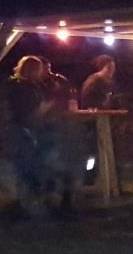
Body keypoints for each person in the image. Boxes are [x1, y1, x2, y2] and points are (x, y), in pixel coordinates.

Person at [7, 56, 53, 218]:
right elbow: (27, 110)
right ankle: (26, 204)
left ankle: (27, 202)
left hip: (26, 128)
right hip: (24, 129)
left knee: (29, 166)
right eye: (39, 69)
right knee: (27, 166)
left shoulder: (27, 86)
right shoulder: (22, 87)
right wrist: (44, 108)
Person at [37, 57, 80, 217]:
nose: (48, 71)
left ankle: (65, 202)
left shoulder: (59, 80)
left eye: (49, 67)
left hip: (62, 128)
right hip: (46, 128)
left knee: (64, 164)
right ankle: (50, 200)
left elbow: (71, 95)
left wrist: (71, 107)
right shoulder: (36, 84)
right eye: (44, 68)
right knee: (50, 166)